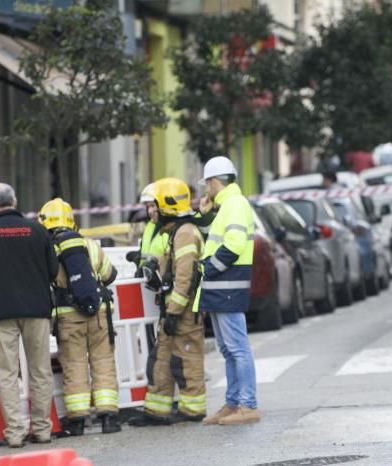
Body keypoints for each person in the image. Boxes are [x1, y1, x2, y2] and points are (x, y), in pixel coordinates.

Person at [0, 183, 58, 448]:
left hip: (1, 311)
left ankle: (15, 434)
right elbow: (53, 269)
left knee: (7, 374)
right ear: (15, 201)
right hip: (37, 310)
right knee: (40, 370)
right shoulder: (38, 230)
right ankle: (42, 430)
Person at [40, 198, 123, 437]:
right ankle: (109, 418)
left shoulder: (50, 251)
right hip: (99, 313)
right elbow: (109, 275)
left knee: (74, 366)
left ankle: (78, 421)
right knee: (103, 363)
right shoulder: (90, 244)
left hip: (68, 317)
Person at [130, 177, 207, 426]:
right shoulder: (175, 232)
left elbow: (185, 278)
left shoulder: (185, 234)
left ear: (167, 206)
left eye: (156, 206)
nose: (152, 211)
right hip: (173, 310)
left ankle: (193, 409)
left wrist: (174, 313)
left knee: (187, 359)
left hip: (183, 313)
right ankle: (157, 411)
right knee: (161, 359)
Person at [195, 156, 260, 426]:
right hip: (221, 288)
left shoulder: (235, 204)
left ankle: (247, 405)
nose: (205, 190)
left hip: (226, 286)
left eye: (206, 185)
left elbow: (232, 245)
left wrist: (208, 268)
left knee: (237, 348)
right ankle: (233, 403)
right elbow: (215, 236)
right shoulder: (228, 206)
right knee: (228, 349)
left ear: (213, 181)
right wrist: (205, 213)